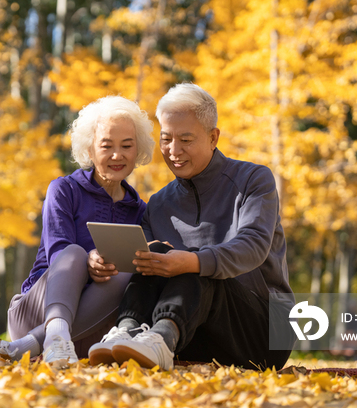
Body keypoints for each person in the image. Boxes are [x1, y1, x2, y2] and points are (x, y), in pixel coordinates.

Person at [89, 83, 295, 370]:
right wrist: (102, 260)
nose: (174, 151)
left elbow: (253, 245)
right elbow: (140, 263)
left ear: (213, 138)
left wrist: (192, 261)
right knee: (153, 254)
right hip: (192, 336)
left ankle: (161, 339)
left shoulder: (253, 180)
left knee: (198, 263)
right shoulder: (159, 203)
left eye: (185, 139)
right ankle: (127, 331)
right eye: (166, 139)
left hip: (265, 334)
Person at [0, 96, 155, 364]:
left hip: (93, 330)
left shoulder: (140, 211)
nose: (118, 155)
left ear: (138, 151)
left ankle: (24, 347)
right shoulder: (64, 190)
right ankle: (53, 334)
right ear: (89, 150)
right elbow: (58, 255)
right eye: (106, 146)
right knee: (74, 253)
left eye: (127, 146)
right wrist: (89, 259)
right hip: (39, 310)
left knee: (130, 271)